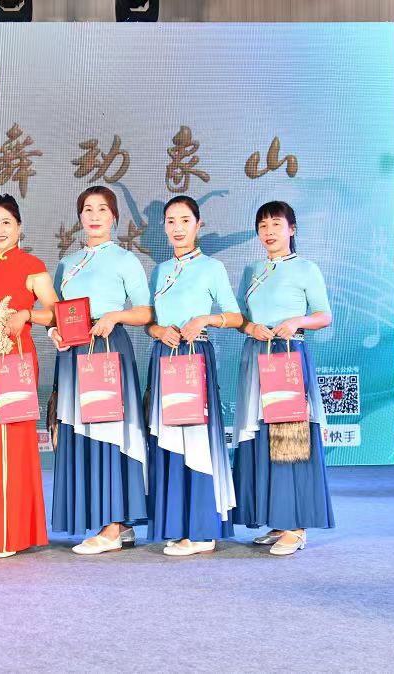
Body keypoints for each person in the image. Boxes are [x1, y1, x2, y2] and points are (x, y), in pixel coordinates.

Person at [48, 186, 151, 555]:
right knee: (83, 433)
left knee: (110, 430)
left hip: (108, 347)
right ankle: (115, 523)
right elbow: (56, 311)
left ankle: (112, 526)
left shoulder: (126, 260)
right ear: (80, 217)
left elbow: (145, 312)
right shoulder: (67, 263)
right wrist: (53, 331)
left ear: (114, 217)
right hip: (73, 353)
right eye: (87, 209)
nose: (94, 216)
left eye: (102, 209)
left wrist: (115, 316)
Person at [232, 201, 335, 556]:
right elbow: (240, 317)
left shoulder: (305, 268)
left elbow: (324, 315)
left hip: (288, 355)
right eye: (262, 226)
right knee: (262, 437)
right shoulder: (252, 270)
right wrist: (250, 327)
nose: (269, 231)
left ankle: (297, 526)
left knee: (289, 438)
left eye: (276, 224)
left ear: (292, 229)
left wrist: (297, 321)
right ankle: (277, 520)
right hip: (256, 356)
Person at [145, 196, 243, 556]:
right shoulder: (159, 271)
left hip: (194, 357)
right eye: (171, 221)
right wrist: (159, 331)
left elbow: (236, 317)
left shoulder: (212, 268)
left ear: (198, 225)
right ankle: (179, 525)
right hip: (164, 358)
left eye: (185, 220)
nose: (178, 228)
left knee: (197, 444)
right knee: (170, 441)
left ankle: (202, 530)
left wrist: (204, 319)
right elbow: (151, 322)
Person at [0, 194, 57, 558]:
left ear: (19, 227)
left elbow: (56, 312)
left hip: (13, 362)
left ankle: (11, 535)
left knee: (12, 444)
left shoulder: (31, 265)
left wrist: (27, 315)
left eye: (6, 222)